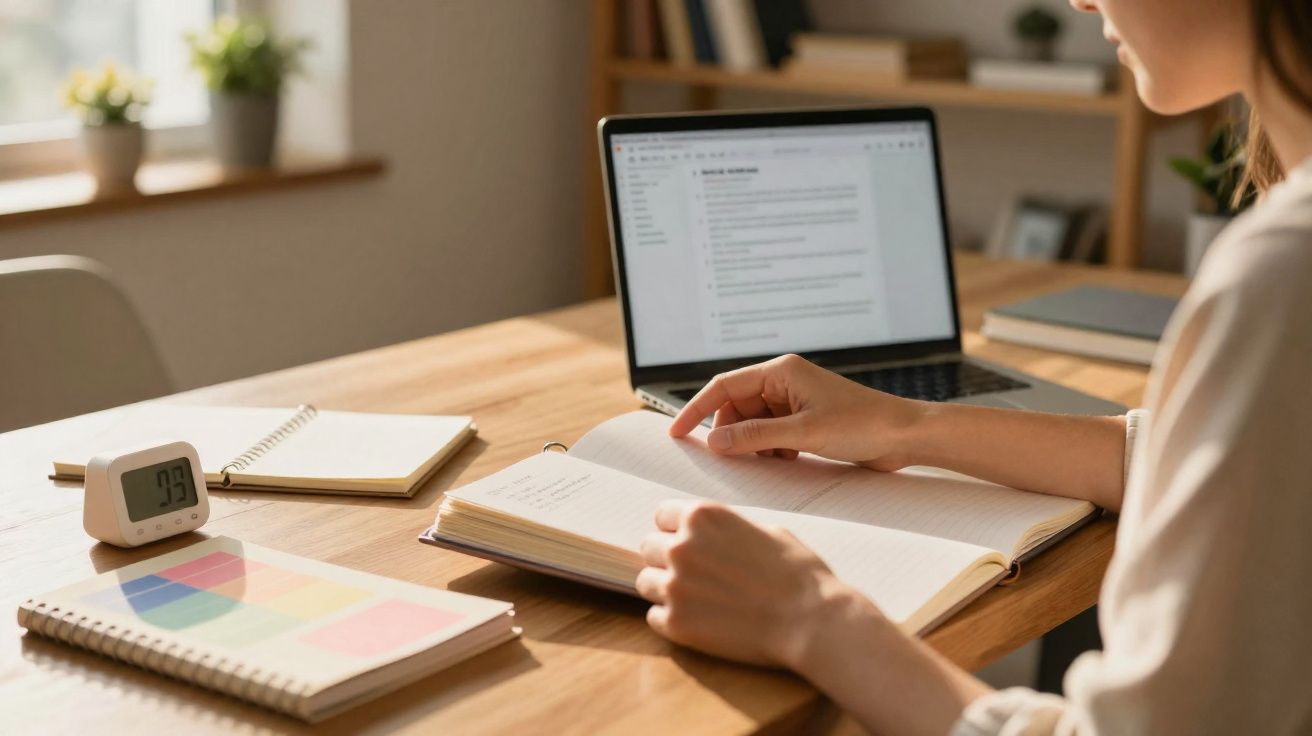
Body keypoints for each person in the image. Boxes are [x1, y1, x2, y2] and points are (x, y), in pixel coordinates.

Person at [634, 0, 1312, 733]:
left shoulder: (1284, 274)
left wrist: (812, 615)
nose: (1080, 0)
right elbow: (1223, 461)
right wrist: (906, 425)